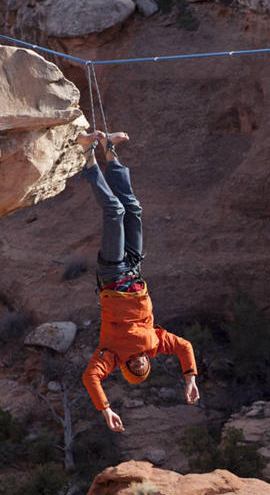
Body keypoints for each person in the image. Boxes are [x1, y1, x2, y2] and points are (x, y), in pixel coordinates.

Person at [79, 131, 199, 432]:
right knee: (133, 209)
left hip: (113, 276)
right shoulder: (156, 344)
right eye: (143, 369)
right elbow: (184, 347)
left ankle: (87, 155)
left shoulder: (112, 354)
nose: (140, 366)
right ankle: (109, 151)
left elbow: (90, 378)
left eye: (135, 370)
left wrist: (106, 410)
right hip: (133, 270)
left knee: (115, 212)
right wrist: (190, 379)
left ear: (128, 368)